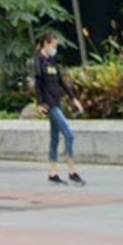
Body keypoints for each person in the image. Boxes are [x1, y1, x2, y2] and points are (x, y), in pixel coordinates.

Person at [33, 31, 84, 185]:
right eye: (53, 45)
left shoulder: (52, 61)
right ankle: (72, 171)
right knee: (69, 134)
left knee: (54, 139)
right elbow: (38, 85)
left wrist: (73, 98)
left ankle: (53, 173)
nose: (55, 48)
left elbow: (61, 81)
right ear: (46, 44)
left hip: (57, 102)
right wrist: (40, 103)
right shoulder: (39, 62)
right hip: (50, 105)